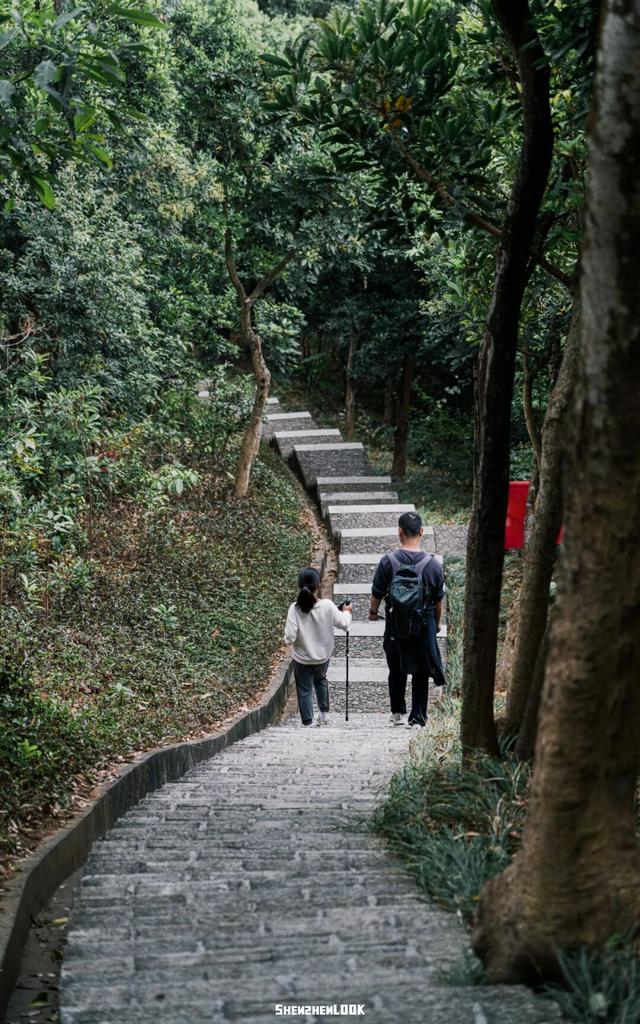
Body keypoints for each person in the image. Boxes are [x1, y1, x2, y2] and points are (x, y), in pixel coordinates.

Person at [369, 511, 445, 729]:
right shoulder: (433, 565)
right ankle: (418, 718)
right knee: (421, 670)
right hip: (423, 624)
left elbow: (377, 592)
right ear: (421, 532)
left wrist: (373, 613)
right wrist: (436, 624)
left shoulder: (388, 562)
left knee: (396, 667)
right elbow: (438, 601)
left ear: (399, 532)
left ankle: (396, 712)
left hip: (396, 625)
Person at [284, 567, 353, 727]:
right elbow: (345, 624)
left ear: (300, 585)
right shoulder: (328, 606)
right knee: (321, 680)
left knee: (304, 688)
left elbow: (290, 637)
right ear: (318, 585)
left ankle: (307, 723)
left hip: (302, 658)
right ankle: (324, 716)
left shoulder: (294, 609)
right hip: (323, 657)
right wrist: (348, 611)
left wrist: (289, 639)